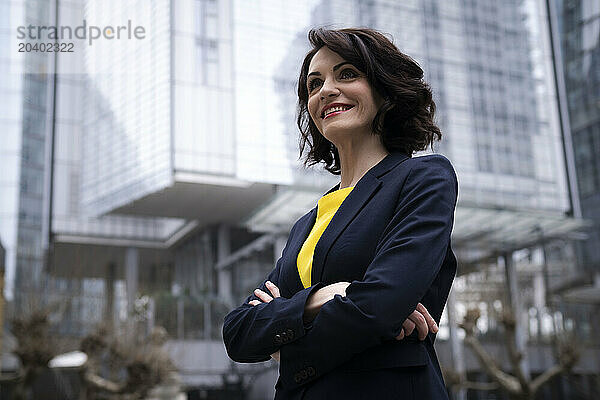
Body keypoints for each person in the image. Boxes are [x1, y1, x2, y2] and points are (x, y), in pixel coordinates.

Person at [223, 27, 458, 400]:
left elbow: (380, 304)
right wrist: (327, 295)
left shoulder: (423, 178)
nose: (325, 90)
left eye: (347, 74)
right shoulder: (307, 223)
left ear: (385, 90)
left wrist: (286, 342)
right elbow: (237, 332)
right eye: (314, 84)